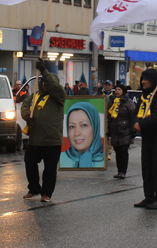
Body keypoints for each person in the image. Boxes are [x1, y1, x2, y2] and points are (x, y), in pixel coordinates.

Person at [21, 58, 66, 202]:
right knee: (29, 162)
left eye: (47, 83)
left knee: (50, 168)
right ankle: (34, 188)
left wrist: (44, 71)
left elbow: (54, 86)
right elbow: (25, 106)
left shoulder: (58, 97)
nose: (44, 85)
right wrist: (27, 116)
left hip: (51, 139)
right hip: (35, 139)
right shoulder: (36, 95)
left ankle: (46, 193)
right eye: (43, 82)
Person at [133, 69, 157, 210]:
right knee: (146, 168)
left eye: (145, 79)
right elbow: (136, 111)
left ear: (153, 80)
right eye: (142, 79)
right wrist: (134, 123)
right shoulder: (145, 95)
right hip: (148, 137)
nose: (142, 82)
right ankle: (148, 196)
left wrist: (142, 124)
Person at [60, 102, 104, 168]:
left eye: (83, 125)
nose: (77, 133)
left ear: (95, 127)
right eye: (72, 126)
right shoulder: (60, 159)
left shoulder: (103, 161)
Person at [108, 83, 136, 179]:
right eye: (116, 89)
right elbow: (109, 117)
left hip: (125, 131)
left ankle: (123, 171)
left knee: (123, 151)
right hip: (115, 131)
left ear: (123, 91)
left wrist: (133, 131)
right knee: (117, 151)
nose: (117, 91)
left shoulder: (129, 103)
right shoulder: (112, 102)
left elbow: (133, 117)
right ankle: (119, 171)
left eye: (119, 89)